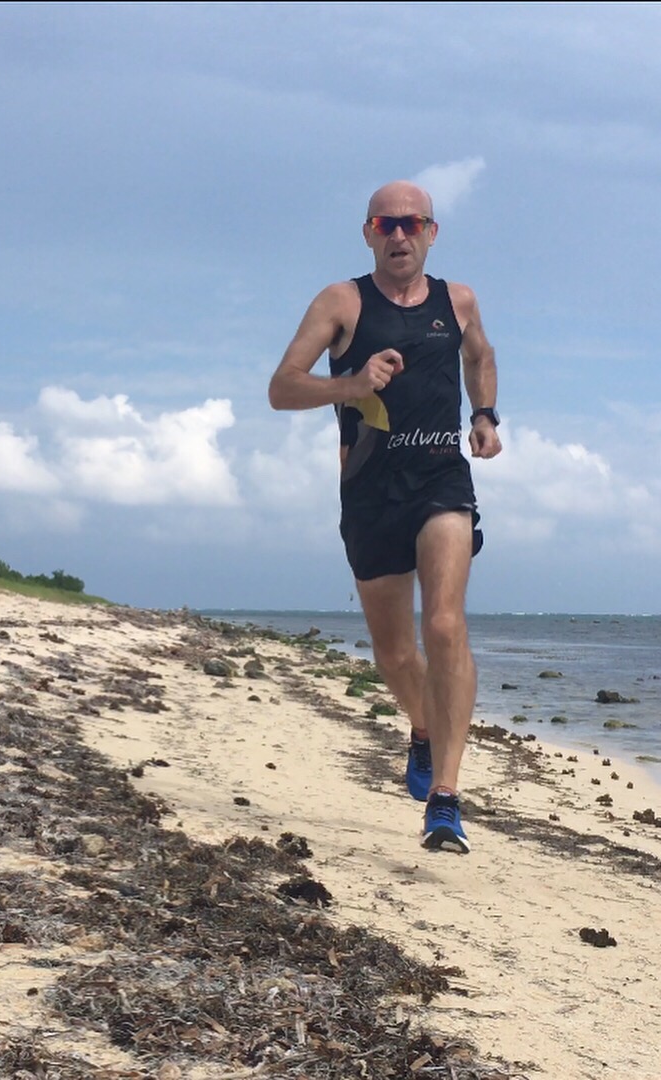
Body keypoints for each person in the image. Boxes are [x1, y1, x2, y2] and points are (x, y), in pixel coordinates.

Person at [268, 180, 502, 854]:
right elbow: (282, 387)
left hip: (440, 478)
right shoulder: (341, 302)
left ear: (432, 233)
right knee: (398, 654)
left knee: (446, 623)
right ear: (368, 233)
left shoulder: (458, 301)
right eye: (385, 224)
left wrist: (484, 414)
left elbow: (480, 354)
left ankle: (446, 800)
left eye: (412, 224)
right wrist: (350, 383)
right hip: (370, 491)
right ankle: (423, 730)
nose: (399, 236)